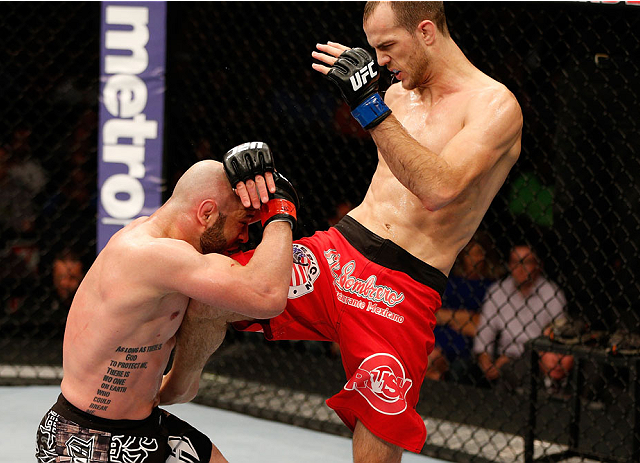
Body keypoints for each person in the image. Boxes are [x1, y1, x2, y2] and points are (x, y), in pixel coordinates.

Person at [165, 2, 522, 462]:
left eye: (388, 46)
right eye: (374, 49)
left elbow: (439, 187)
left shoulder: (495, 105)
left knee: (378, 431)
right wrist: (375, 100)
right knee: (208, 287)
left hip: (403, 287)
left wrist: (367, 104)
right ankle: (180, 384)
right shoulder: (396, 96)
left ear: (427, 31)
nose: (380, 61)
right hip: (339, 252)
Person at [35, 144, 299, 463]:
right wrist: (281, 211)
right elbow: (268, 295)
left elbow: (178, 391)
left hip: (145, 425)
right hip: (84, 438)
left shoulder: (173, 256)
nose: (245, 237)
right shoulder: (151, 254)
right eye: (243, 223)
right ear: (206, 213)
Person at [472, 244, 571, 392]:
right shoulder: (497, 291)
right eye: (515, 262)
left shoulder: (552, 294)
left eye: (527, 262)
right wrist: (486, 362)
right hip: (501, 358)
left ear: (538, 265)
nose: (520, 268)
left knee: (515, 371)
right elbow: (484, 336)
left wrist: (511, 361)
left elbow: (558, 340)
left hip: (536, 359)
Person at [426, 231, 500, 382]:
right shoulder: (450, 281)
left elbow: (480, 324)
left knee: (435, 359)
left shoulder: (491, 287)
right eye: (470, 254)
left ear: (486, 256)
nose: (474, 259)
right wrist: (464, 317)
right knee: (431, 358)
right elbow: (433, 314)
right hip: (439, 334)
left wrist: (450, 316)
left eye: (478, 253)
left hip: (464, 342)